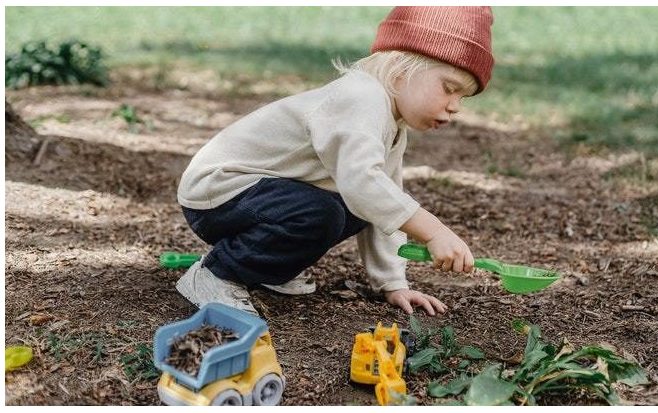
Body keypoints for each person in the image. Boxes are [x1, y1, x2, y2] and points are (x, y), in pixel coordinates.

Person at [175, 6, 495, 317]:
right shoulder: (361, 98)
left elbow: (385, 203)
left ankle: (271, 264)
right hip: (218, 192)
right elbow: (363, 185)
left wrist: (393, 284)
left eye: (462, 97)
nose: (455, 107)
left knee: (361, 207)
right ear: (399, 73)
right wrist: (433, 230)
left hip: (258, 195)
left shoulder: (393, 125)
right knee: (327, 212)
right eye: (449, 89)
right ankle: (217, 275)